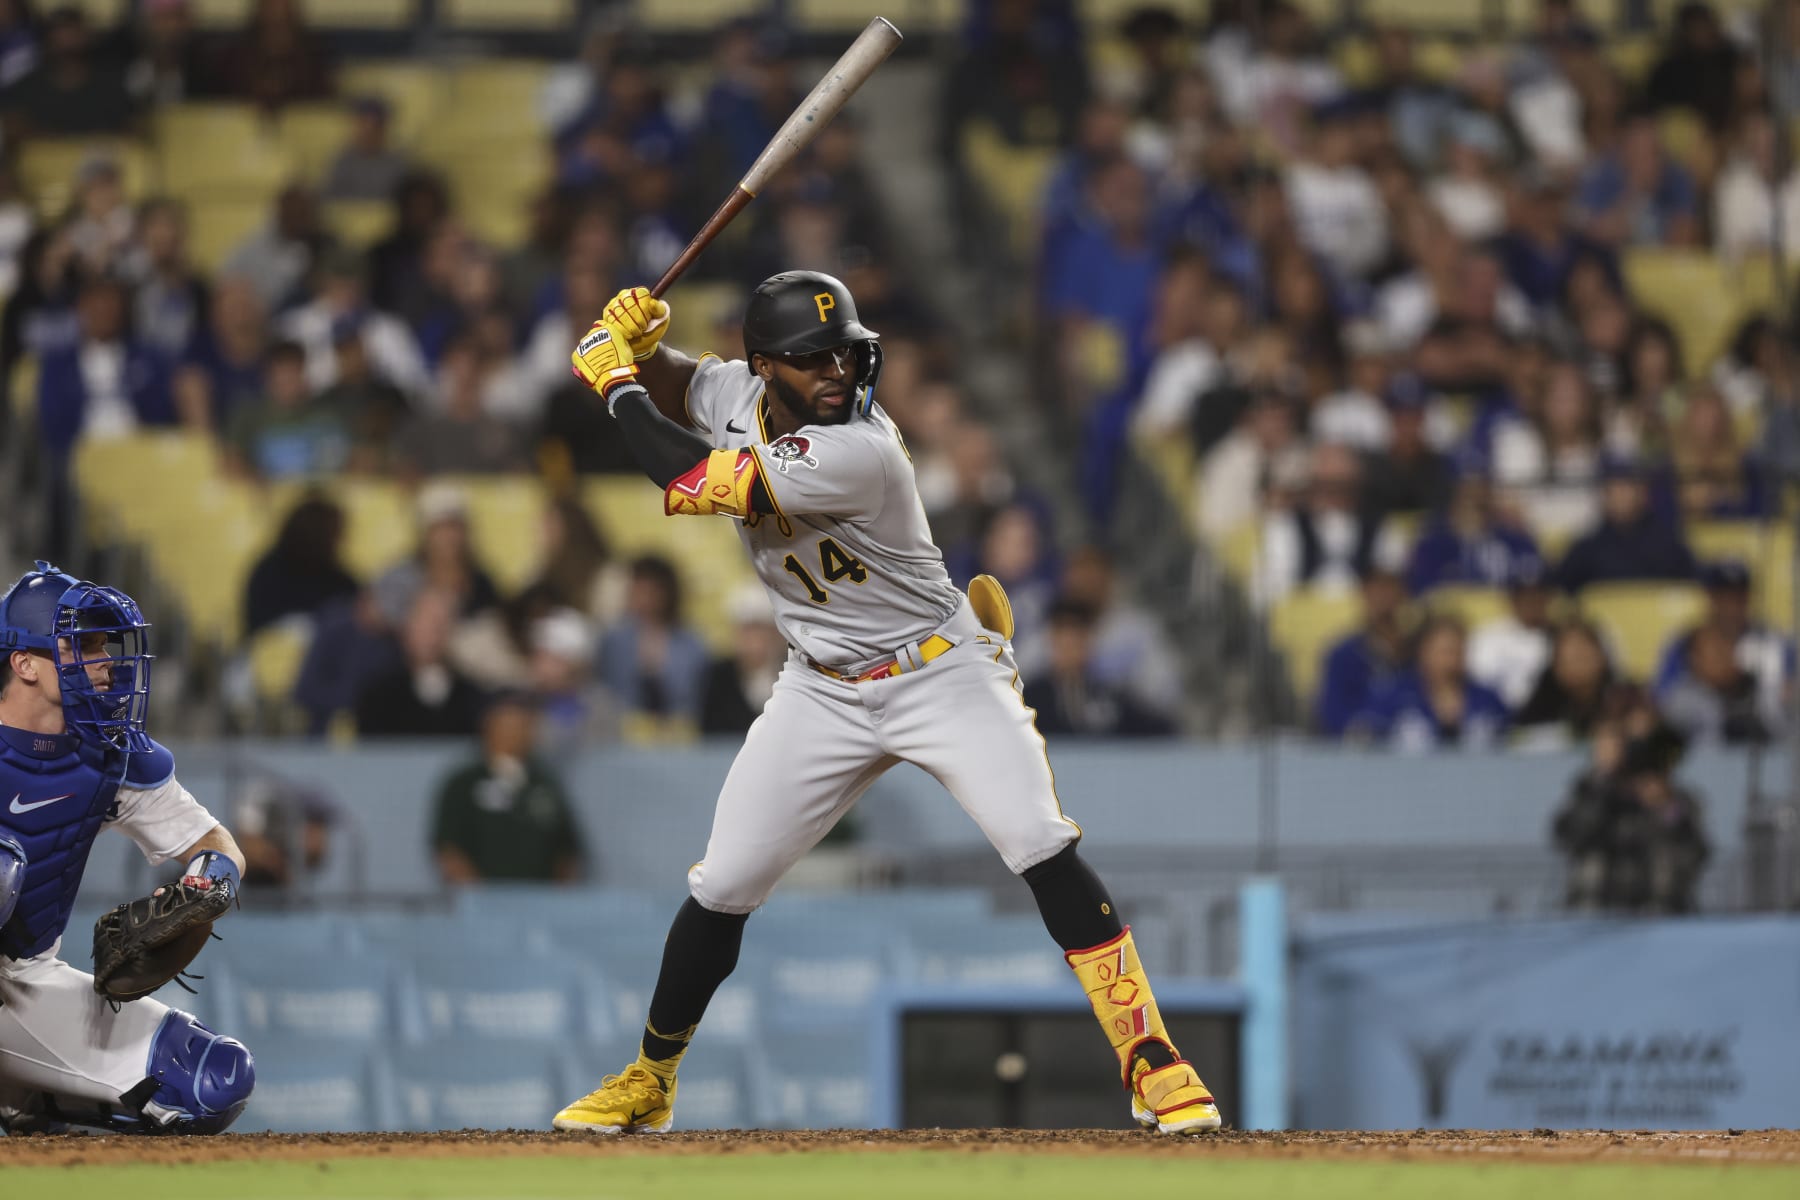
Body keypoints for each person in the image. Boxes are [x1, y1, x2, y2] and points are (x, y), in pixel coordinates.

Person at [552, 274, 1221, 1135]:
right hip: (820, 686)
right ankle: (650, 1077)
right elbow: (694, 384)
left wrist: (616, 382)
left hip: (939, 672)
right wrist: (648, 345)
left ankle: (1152, 1060)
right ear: (764, 369)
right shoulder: (735, 392)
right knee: (722, 884)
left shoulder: (858, 447)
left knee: (1039, 843)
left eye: (843, 351)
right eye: (808, 359)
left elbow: (685, 479)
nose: (835, 370)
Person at [0, 561, 254, 1134]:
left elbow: (217, 845)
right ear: (25, 665)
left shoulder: (109, 756)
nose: (105, 660)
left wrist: (206, 888)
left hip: (20, 984)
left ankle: (24, 1100)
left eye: (101, 644)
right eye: (80, 645)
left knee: (213, 1080)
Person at [1553, 721, 1708, 914]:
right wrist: (1603, 781)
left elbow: (1696, 853)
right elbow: (1569, 837)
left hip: (1660, 915)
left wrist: (1665, 806)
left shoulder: (1677, 801)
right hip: (1595, 912)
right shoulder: (1590, 791)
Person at [432, 693, 585, 885]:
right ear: (489, 729)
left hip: (540, 904)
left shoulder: (543, 782)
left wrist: (557, 897)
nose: (518, 735)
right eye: (509, 727)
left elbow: (566, 849)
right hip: (483, 904)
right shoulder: (465, 783)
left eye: (524, 727)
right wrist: (476, 895)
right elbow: (448, 847)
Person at [1022, 600, 1176, 738]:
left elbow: (1157, 728)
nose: (1070, 651)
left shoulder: (1109, 694)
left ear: (1089, 642)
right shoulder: (1030, 698)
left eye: (1076, 643)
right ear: (1051, 641)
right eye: (1064, 644)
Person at [1360, 615, 1509, 751]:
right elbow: (1366, 739)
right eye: (1445, 652)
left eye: (1459, 651)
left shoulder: (1487, 699)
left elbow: (1510, 742)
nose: (1452, 660)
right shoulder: (1394, 697)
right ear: (1423, 654)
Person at [352, 587, 484, 738]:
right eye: (423, 621)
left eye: (441, 623)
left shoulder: (471, 696)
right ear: (405, 627)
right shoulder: (377, 695)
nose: (432, 632)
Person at [1556, 458, 1698, 591]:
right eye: (1613, 489)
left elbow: (1694, 587)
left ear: (1643, 493)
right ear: (1604, 496)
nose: (1620, 496)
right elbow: (1559, 591)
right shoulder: (1587, 549)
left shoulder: (1669, 544)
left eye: (1627, 487)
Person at [1315, 567, 1410, 739]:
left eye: (1389, 588)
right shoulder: (1342, 655)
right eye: (1376, 589)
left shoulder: (1417, 651)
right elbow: (1333, 712)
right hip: (1358, 750)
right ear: (1364, 594)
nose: (1383, 597)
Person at [1466, 557, 1556, 710]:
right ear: (1511, 600)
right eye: (1523, 596)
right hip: (1495, 715)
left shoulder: (1562, 638)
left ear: (1548, 599)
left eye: (1537, 595)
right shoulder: (1487, 637)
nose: (1531, 602)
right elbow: (1475, 684)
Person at [699, 587, 784, 735]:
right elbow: (709, 733)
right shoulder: (719, 676)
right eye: (748, 631)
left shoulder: (792, 673)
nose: (755, 641)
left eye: (762, 631)